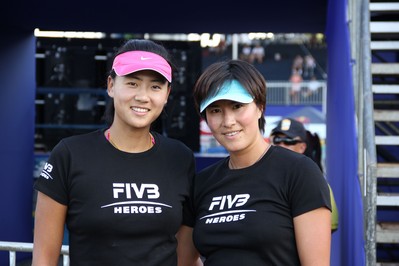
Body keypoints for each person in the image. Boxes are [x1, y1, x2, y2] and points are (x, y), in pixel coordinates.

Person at [32, 39, 202, 266]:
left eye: (155, 86)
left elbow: (186, 258)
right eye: (132, 83)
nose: (143, 96)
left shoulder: (180, 158)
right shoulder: (70, 154)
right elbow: (43, 259)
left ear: (167, 93)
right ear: (111, 85)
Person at [183, 59, 332, 265]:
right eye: (215, 110)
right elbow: (184, 260)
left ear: (260, 107)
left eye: (237, 106)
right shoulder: (202, 183)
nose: (228, 121)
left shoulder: (299, 172)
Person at [269, 117, 339, 233]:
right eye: (277, 140)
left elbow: (331, 225)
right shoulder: (262, 174)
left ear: (302, 147)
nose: (281, 145)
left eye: (289, 141)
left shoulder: (314, 180)